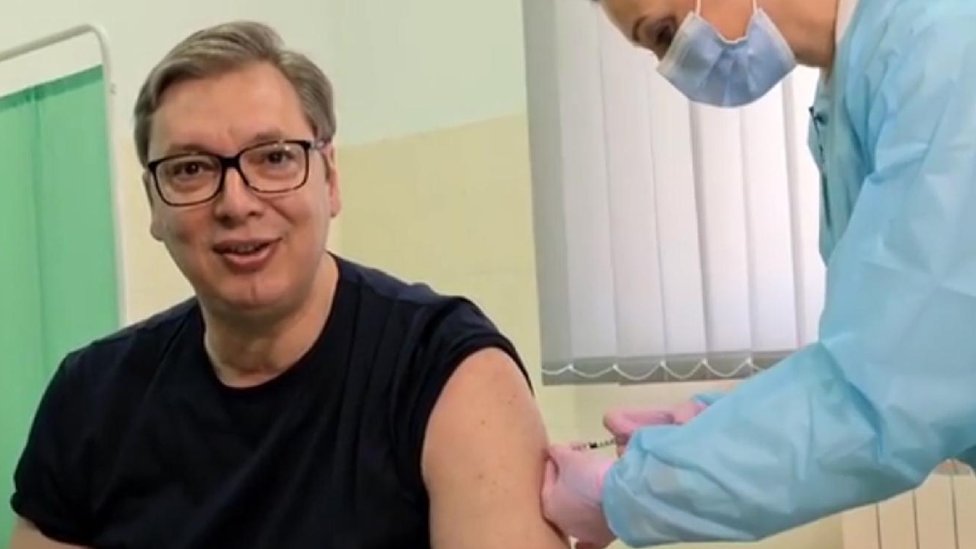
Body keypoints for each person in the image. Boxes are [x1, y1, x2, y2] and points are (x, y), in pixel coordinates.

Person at [8, 20, 568, 549]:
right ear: (154, 204)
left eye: (274, 157)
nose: (236, 203)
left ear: (330, 179)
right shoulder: (91, 399)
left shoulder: (444, 373)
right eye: (190, 169)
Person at [541, 0, 976, 546]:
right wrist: (711, 426)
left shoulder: (944, 51)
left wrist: (627, 495)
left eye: (666, 33)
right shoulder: (852, 96)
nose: (672, 66)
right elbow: (886, 349)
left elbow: (889, 391)